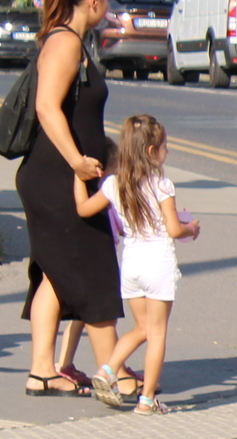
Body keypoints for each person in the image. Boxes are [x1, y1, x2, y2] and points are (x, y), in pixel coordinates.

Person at [15, 0, 127, 399]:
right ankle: (112, 372)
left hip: (60, 175)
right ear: (94, 1)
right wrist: (79, 162)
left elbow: (79, 115)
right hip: (57, 177)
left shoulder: (73, 42)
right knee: (95, 270)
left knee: (54, 274)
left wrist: (108, 155)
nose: (110, 7)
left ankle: (43, 371)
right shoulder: (64, 43)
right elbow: (47, 108)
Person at [74, 114, 198, 414]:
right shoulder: (162, 184)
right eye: (164, 146)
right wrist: (191, 228)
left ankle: (107, 371)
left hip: (131, 267)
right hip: (158, 265)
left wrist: (78, 178)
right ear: (152, 152)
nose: (167, 151)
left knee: (141, 328)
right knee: (156, 335)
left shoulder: (113, 184)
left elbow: (83, 209)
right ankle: (147, 400)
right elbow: (172, 229)